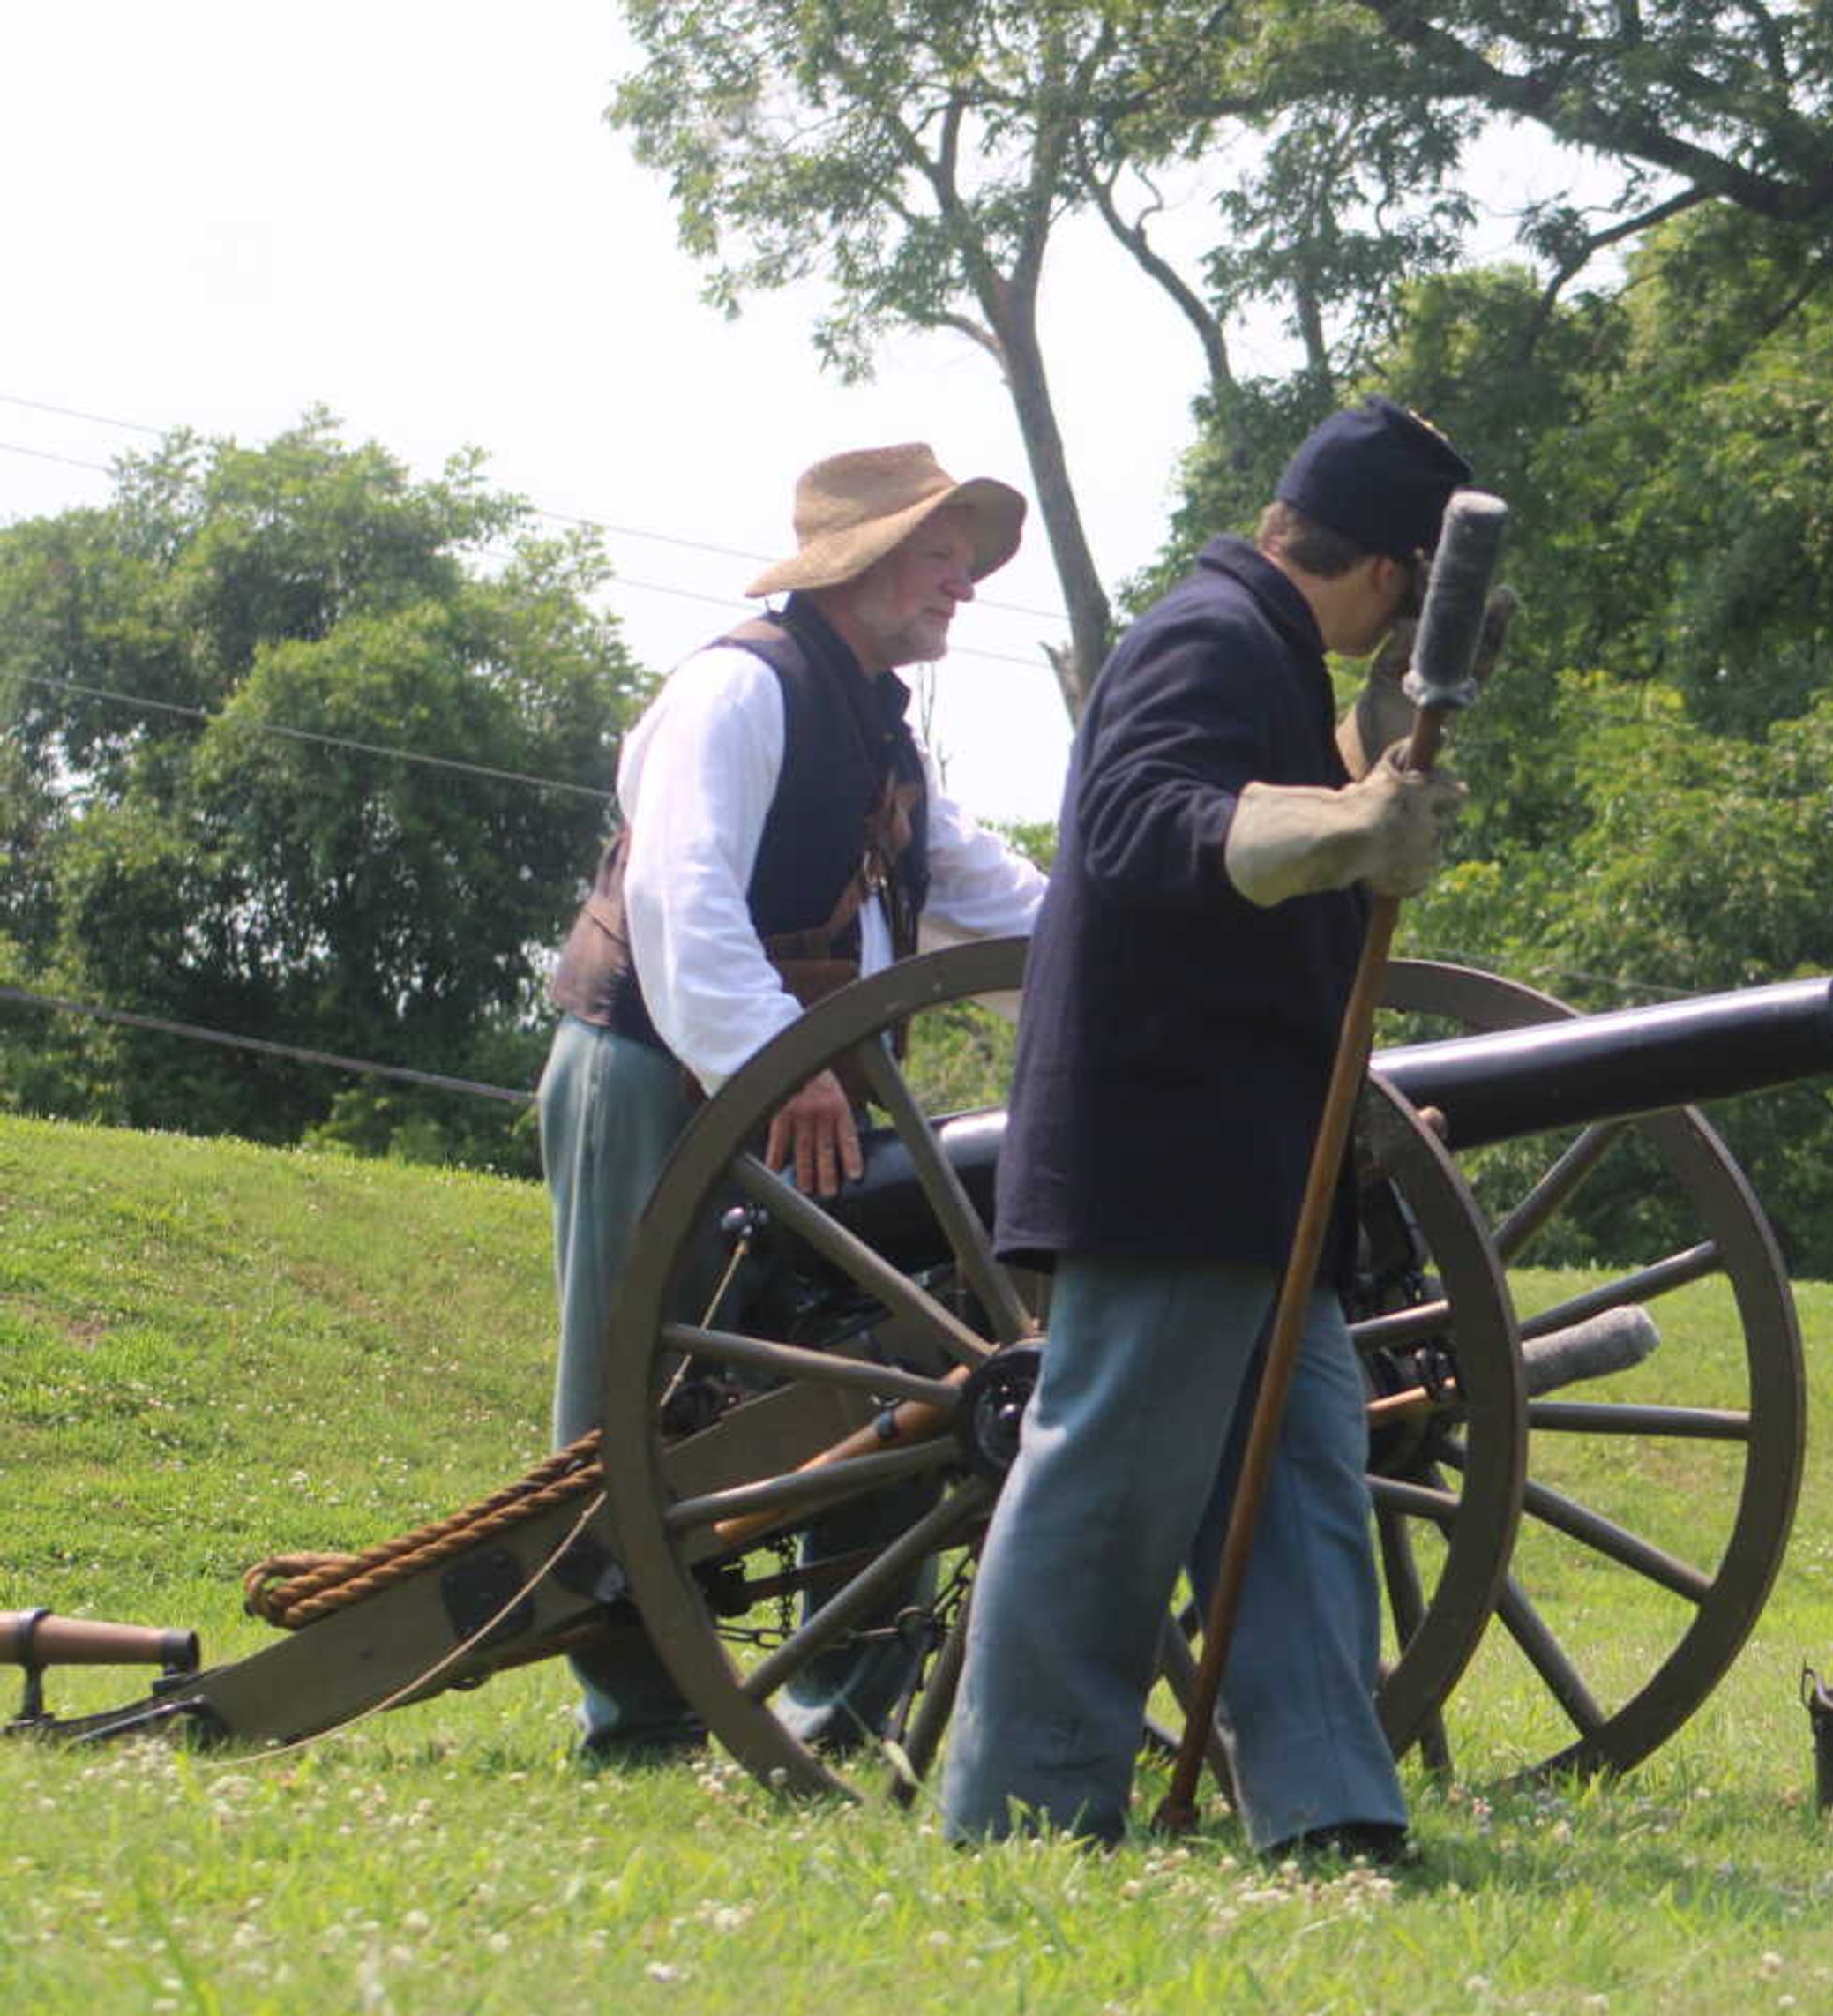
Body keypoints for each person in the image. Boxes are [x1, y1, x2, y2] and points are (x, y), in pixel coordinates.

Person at [939, 398, 1478, 1862]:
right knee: (1110, 1482)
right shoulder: (1207, 635)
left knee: (1300, 1481)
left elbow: (1299, 788)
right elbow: (1139, 826)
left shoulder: (1271, 655)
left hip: (1258, 1162)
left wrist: (1371, 782)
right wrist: (1347, 831)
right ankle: (1022, 1815)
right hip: (1169, 1146)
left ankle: (1326, 1807)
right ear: (1389, 574)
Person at [540, 443, 1052, 1761]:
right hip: (664, 1066)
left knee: (889, 1368)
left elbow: (985, 901)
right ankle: (637, 1714)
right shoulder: (738, 690)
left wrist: (1138, 972)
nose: (965, 588)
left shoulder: (878, 723)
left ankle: (837, 1708)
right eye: (944, 558)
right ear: (864, 563)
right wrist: (782, 1062)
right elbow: (681, 902)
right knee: (630, 1379)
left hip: (797, 1090)